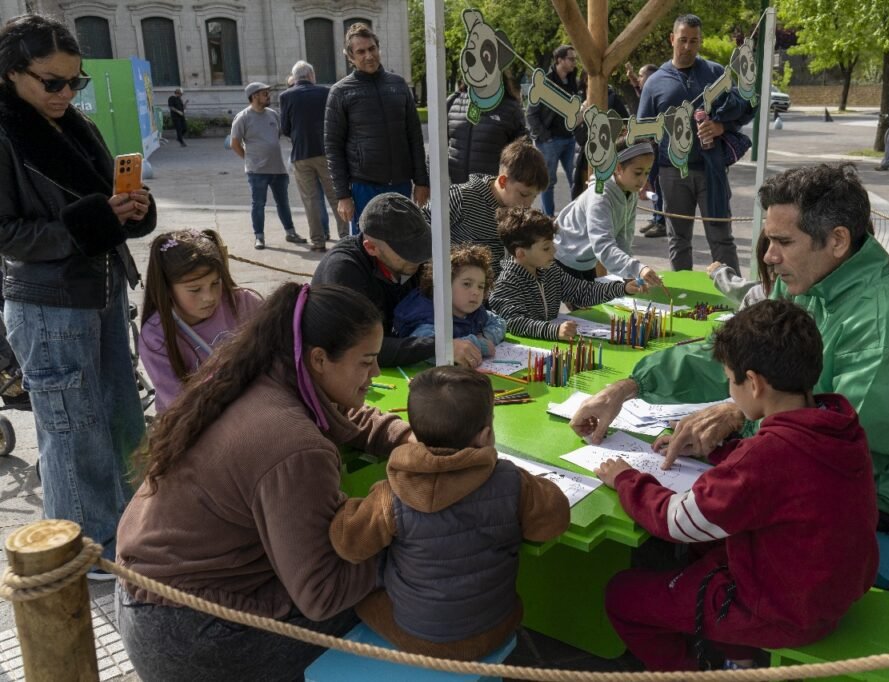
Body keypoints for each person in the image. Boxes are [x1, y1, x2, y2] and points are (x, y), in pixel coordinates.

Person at [571, 164, 889, 532]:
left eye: (783, 241)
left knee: (716, 513)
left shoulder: (888, 321)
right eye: (768, 239)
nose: (768, 256)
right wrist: (627, 387)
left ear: (837, 241)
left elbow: (847, 451)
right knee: (691, 464)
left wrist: (739, 416)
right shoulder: (804, 278)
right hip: (836, 456)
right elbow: (735, 351)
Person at [116, 283, 413, 680]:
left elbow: (339, 413)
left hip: (147, 601)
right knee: (412, 579)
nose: (376, 372)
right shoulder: (295, 446)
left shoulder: (257, 374)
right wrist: (404, 539)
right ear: (320, 359)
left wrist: (408, 439)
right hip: (192, 639)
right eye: (367, 362)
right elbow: (322, 594)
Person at [596, 299, 878, 671]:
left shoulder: (766, 456)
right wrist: (723, 451)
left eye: (730, 379)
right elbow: (780, 476)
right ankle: (738, 657)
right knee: (709, 551)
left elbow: (679, 521)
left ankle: (693, 672)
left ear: (755, 383)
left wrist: (626, 479)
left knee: (623, 596)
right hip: (826, 590)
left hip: (784, 612)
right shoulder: (838, 422)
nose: (730, 391)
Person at [0, 14, 156, 571]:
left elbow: (101, 198)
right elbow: (8, 233)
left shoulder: (68, 122)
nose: (67, 93)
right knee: (73, 431)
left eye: (76, 82)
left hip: (101, 288)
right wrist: (89, 222)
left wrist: (130, 208)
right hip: (48, 303)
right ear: (13, 74)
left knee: (118, 419)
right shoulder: (6, 128)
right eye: (53, 82)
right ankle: (83, 553)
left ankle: (121, 533)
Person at [330, 365, 570, 659]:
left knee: (363, 599)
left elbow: (348, 545)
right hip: (497, 623)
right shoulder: (512, 481)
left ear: (415, 433)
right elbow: (552, 522)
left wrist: (344, 503)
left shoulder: (390, 494)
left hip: (418, 637)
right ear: (485, 435)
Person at [312, 192, 482, 368]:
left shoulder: (414, 263)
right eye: (408, 252)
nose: (420, 258)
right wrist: (440, 347)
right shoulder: (343, 270)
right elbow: (362, 347)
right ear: (371, 248)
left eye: (423, 246)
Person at [638, 14, 754, 272]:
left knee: (721, 237)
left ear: (700, 41)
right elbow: (644, 133)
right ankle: (685, 298)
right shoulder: (654, 82)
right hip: (671, 171)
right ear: (672, 39)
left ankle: (732, 299)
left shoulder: (715, 73)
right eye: (682, 40)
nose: (688, 47)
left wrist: (721, 126)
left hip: (711, 170)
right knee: (678, 239)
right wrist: (644, 175)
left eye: (694, 41)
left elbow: (743, 109)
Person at [139, 229, 262, 412]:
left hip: (257, 409)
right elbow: (179, 406)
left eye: (215, 283)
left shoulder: (245, 302)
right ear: (167, 288)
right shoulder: (155, 336)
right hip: (195, 424)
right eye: (195, 289)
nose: (209, 297)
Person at [325, 22, 429, 236]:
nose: (368, 56)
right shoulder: (340, 92)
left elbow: (415, 137)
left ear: (378, 48)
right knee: (367, 248)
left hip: (400, 184)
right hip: (364, 187)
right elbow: (333, 146)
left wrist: (421, 181)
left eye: (372, 49)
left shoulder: (398, 85)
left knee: (402, 244)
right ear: (350, 57)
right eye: (361, 52)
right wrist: (343, 196)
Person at [489, 207, 641, 341]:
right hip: (526, 356)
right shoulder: (505, 284)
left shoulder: (550, 271)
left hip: (552, 347)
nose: (554, 251)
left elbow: (582, 291)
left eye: (552, 245)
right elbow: (515, 323)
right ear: (521, 253)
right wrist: (553, 330)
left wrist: (622, 288)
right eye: (546, 248)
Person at [555, 139, 664, 286]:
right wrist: (638, 268)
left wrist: (630, 273)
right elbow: (603, 246)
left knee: (591, 305)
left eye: (646, 173)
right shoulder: (600, 196)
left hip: (586, 260)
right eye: (638, 173)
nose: (642, 180)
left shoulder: (630, 191)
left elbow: (624, 238)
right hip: (563, 258)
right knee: (582, 307)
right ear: (618, 168)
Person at [448, 137, 548, 278]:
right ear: (502, 181)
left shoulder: (519, 212)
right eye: (524, 194)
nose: (528, 204)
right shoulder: (463, 197)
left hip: (496, 291)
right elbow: (422, 229)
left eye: (534, 197)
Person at [393, 244, 506, 362]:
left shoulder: (475, 312)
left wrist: (484, 337)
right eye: (467, 284)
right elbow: (426, 350)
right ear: (444, 284)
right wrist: (478, 345)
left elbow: (499, 323)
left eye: (480, 286)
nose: (476, 292)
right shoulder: (429, 317)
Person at [230, 82, 308, 250]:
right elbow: (234, 143)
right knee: (258, 204)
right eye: (265, 93)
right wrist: (248, 159)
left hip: (278, 169)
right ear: (254, 96)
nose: (268, 96)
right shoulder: (243, 117)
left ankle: (290, 232)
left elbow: (280, 134)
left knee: (283, 203)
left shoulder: (273, 115)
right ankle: (259, 237)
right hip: (257, 171)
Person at [281, 60, 339, 252]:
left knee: (310, 200)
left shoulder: (286, 96)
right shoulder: (325, 92)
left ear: (295, 78)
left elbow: (285, 128)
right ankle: (347, 236)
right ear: (312, 76)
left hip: (301, 154)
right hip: (326, 152)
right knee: (336, 196)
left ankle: (318, 241)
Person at [447, 70, 528, 184]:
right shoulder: (453, 102)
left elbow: (522, 152)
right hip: (455, 188)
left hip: (492, 191)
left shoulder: (510, 108)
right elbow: (437, 146)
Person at [527, 44, 578, 216]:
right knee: (548, 182)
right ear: (559, 60)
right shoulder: (545, 83)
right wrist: (545, 136)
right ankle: (548, 217)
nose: (574, 63)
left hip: (570, 139)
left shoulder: (572, 82)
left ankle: (576, 216)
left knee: (576, 180)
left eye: (575, 59)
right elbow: (531, 115)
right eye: (571, 59)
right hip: (549, 141)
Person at [570, 71, 630, 199]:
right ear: (586, 80)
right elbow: (573, 126)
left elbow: (626, 124)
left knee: (604, 195)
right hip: (585, 156)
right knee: (585, 195)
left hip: (608, 155)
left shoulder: (612, 99)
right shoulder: (579, 100)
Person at [634, 64, 667, 238]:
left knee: (658, 186)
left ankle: (662, 222)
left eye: (641, 76)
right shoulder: (649, 92)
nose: (639, 79)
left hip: (658, 148)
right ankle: (656, 216)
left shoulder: (658, 94)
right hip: (650, 148)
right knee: (653, 184)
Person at [705, 232, 773, 310]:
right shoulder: (757, 293)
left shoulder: (760, 295)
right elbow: (760, 292)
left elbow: (759, 293)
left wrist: (723, 277)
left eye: (784, 242)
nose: (768, 257)